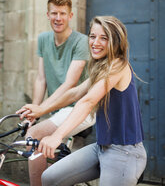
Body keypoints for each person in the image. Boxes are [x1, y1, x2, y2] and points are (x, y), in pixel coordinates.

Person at [19, 16, 147, 186]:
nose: (95, 43)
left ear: (116, 42)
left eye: (104, 38)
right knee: (49, 178)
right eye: (92, 36)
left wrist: (57, 135)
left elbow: (87, 101)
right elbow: (75, 93)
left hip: (125, 153)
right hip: (101, 148)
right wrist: (40, 109)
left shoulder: (118, 65)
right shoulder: (100, 67)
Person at [18, 0, 95, 186]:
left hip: (79, 108)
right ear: (47, 14)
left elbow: (70, 83)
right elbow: (41, 78)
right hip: (57, 109)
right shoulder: (44, 39)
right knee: (36, 138)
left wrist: (41, 109)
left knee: (33, 135)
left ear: (70, 16)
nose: (58, 18)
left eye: (62, 13)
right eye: (54, 13)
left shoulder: (81, 42)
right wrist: (34, 111)